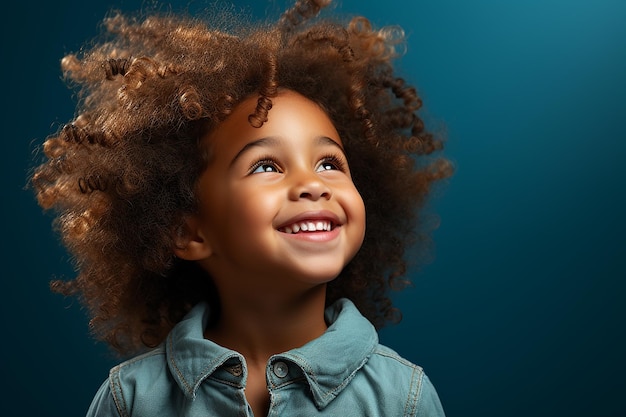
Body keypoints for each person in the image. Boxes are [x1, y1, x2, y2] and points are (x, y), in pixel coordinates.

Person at [31, 0, 452, 415]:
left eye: (329, 163)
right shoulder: (132, 400)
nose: (313, 184)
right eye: (266, 165)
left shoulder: (402, 398)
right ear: (189, 232)